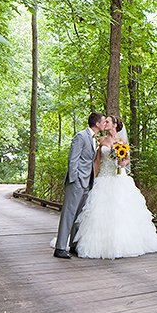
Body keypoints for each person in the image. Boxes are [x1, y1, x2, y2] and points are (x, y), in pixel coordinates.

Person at [72, 116, 157, 259]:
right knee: (99, 212)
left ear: (115, 125)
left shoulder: (122, 142)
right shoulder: (102, 140)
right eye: (104, 121)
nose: (105, 123)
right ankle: (99, 244)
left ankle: (122, 244)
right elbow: (97, 161)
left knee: (120, 210)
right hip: (103, 178)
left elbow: (127, 158)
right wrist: (93, 177)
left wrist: (124, 163)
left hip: (119, 178)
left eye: (108, 121)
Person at [54, 111, 106, 259]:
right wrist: (74, 179)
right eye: (103, 121)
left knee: (79, 216)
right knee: (68, 214)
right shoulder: (81, 136)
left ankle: (73, 245)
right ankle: (60, 247)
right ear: (97, 123)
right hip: (76, 182)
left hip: (86, 182)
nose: (104, 124)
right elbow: (73, 160)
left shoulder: (93, 138)